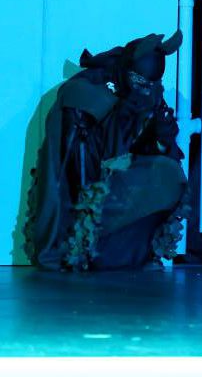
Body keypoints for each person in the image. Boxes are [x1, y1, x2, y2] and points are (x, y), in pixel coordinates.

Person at [24, 31, 189, 271]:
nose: (147, 90)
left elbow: (149, 152)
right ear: (127, 71)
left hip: (117, 185)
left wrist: (161, 138)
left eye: (153, 84)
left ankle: (130, 252)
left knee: (169, 173)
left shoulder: (147, 93)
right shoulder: (86, 94)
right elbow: (74, 171)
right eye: (140, 82)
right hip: (84, 192)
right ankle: (84, 251)